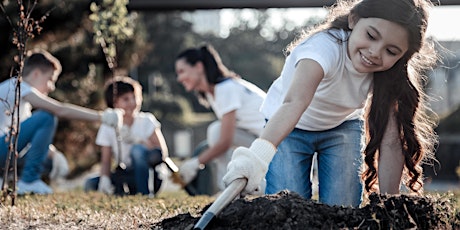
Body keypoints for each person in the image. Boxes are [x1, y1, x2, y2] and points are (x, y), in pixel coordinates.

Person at [222, 0, 438, 208]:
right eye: (371, 36)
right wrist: (255, 158)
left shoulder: (391, 75)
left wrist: (389, 205)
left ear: (403, 56)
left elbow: (391, 141)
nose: (375, 52)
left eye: (391, 51)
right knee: (286, 204)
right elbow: (294, 103)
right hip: (290, 127)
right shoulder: (321, 50)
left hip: (341, 127)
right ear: (354, 19)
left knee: (343, 209)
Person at [0, 49, 122, 195]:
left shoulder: (21, 101)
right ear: (36, 74)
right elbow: (60, 110)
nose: (52, 87)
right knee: (47, 117)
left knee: (49, 160)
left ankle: (7, 181)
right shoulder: (18, 86)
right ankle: (29, 181)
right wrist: (102, 117)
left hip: (5, 148)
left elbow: (28, 139)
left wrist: (54, 154)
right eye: (50, 79)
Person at [174, 44, 267, 191]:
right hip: (262, 142)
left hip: (276, 145)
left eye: (182, 71)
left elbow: (224, 142)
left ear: (198, 67)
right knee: (217, 132)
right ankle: (233, 187)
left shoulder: (225, 88)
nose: (179, 78)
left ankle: (233, 189)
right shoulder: (215, 93)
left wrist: (195, 163)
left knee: (216, 132)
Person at [84, 76, 168, 196]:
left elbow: (162, 152)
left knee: (137, 150)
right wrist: (105, 179)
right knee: (90, 184)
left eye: (135, 97)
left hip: (152, 176)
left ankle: (144, 194)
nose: (132, 103)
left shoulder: (147, 121)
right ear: (114, 103)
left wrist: (139, 141)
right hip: (127, 174)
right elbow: (106, 160)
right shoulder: (108, 126)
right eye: (126, 99)